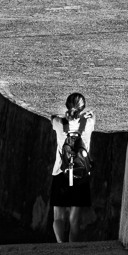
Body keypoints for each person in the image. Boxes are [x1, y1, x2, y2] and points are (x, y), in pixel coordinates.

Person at [49, 92, 95, 243]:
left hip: (60, 173)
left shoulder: (59, 123)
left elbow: (52, 117)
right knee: (75, 220)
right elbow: (92, 118)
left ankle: (60, 244)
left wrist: (63, 116)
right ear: (82, 108)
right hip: (81, 175)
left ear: (67, 106)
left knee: (58, 217)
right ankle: (72, 251)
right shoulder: (88, 123)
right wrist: (87, 116)